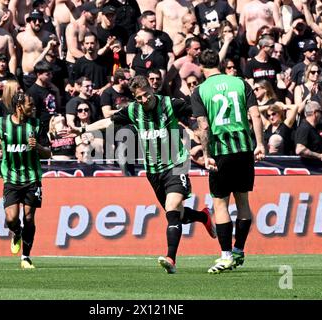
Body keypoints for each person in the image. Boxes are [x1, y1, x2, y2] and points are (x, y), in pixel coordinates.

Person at [76, 75, 217, 274]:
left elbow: (198, 115)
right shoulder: (133, 110)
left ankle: (171, 259)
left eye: (146, 95)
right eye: (139, 98)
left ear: (152, 90)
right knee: (178, 215)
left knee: (172, 208)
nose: (144, 100)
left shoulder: (171, 104)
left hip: (177, 164)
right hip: (153, 171)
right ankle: (203, 217)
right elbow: (108, 122)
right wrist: (82, 129)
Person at [191, 49, 265, 274]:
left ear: (201, 68)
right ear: (221, 64)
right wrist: (259, 144)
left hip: (221, 151)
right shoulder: (240, 83)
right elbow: (256, 115)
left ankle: (225, 256)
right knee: (243, 203)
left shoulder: (200, 90)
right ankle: (239, 249)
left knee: (220, 204)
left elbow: (204, 126)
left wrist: (206, 154)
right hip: (243, 149)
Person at [0, 92, 51, 269]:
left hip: (32, 178)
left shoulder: (36, 124)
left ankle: (26, 257)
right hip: (11, 178)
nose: (33, 107)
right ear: (19, 106)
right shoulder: (2, 123)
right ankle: (17, 233)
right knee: (12, 218)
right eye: (30, 104)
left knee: (29, 217)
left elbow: (48, 152)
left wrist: (39, 147)